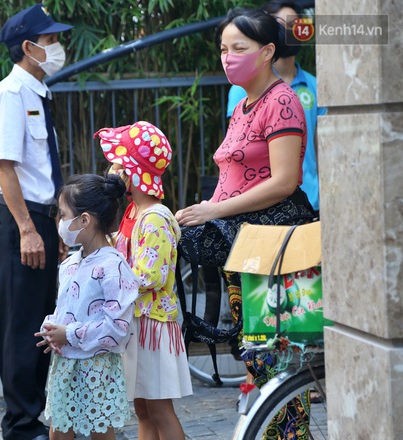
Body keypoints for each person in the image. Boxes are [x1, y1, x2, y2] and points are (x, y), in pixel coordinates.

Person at [175, 8, 315, 440]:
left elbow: (285, 181)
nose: (227, 57)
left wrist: (215, 211)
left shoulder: (282, 100)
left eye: (239, 48)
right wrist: (203, 210)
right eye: (222, 49)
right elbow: (231, 177)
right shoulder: (243, 105)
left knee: (279, 358)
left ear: (268, 50)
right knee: (257, 358)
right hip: (248, 248)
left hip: (275, 250)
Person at [0, 4, 73, 440]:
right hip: (18, 219)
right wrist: (27, 228)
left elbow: (43, 172)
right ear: (28, 47)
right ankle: (19, 425)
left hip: (40, 219)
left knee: (40, 320)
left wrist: (50, 227)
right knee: (19, 324)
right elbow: (5, 168)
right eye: (51, 41)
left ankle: (33, 416)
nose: (58, 47)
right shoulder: (10, 94)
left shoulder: (39, 92)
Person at [96, 121, 193, 440]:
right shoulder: (133, 213)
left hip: (151, 324)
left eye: (119, 163)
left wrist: (110, 277)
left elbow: (150, 275)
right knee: (143, 408)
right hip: (136, 322)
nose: (112, 169)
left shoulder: (155, 217)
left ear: (134, 172)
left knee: (159, 408)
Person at [35, 174, 139, 440]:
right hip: (65, 364)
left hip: (97, 368)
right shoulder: (70, 264)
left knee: (99, 432)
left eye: (63, 214)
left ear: (84, 219)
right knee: (58, 430)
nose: (59, 222)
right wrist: (53, 329)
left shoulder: (114, 267)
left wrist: (68, 334)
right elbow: (67, 309)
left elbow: (117, 327)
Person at [226, 0, 327, 215]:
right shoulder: (240, 90)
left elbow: (322, 148)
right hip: (261, 206)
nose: (291, 32)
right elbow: (236, 153)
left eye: (296, 25)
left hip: (309, 201)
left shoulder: (315, 85)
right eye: (283, 25)